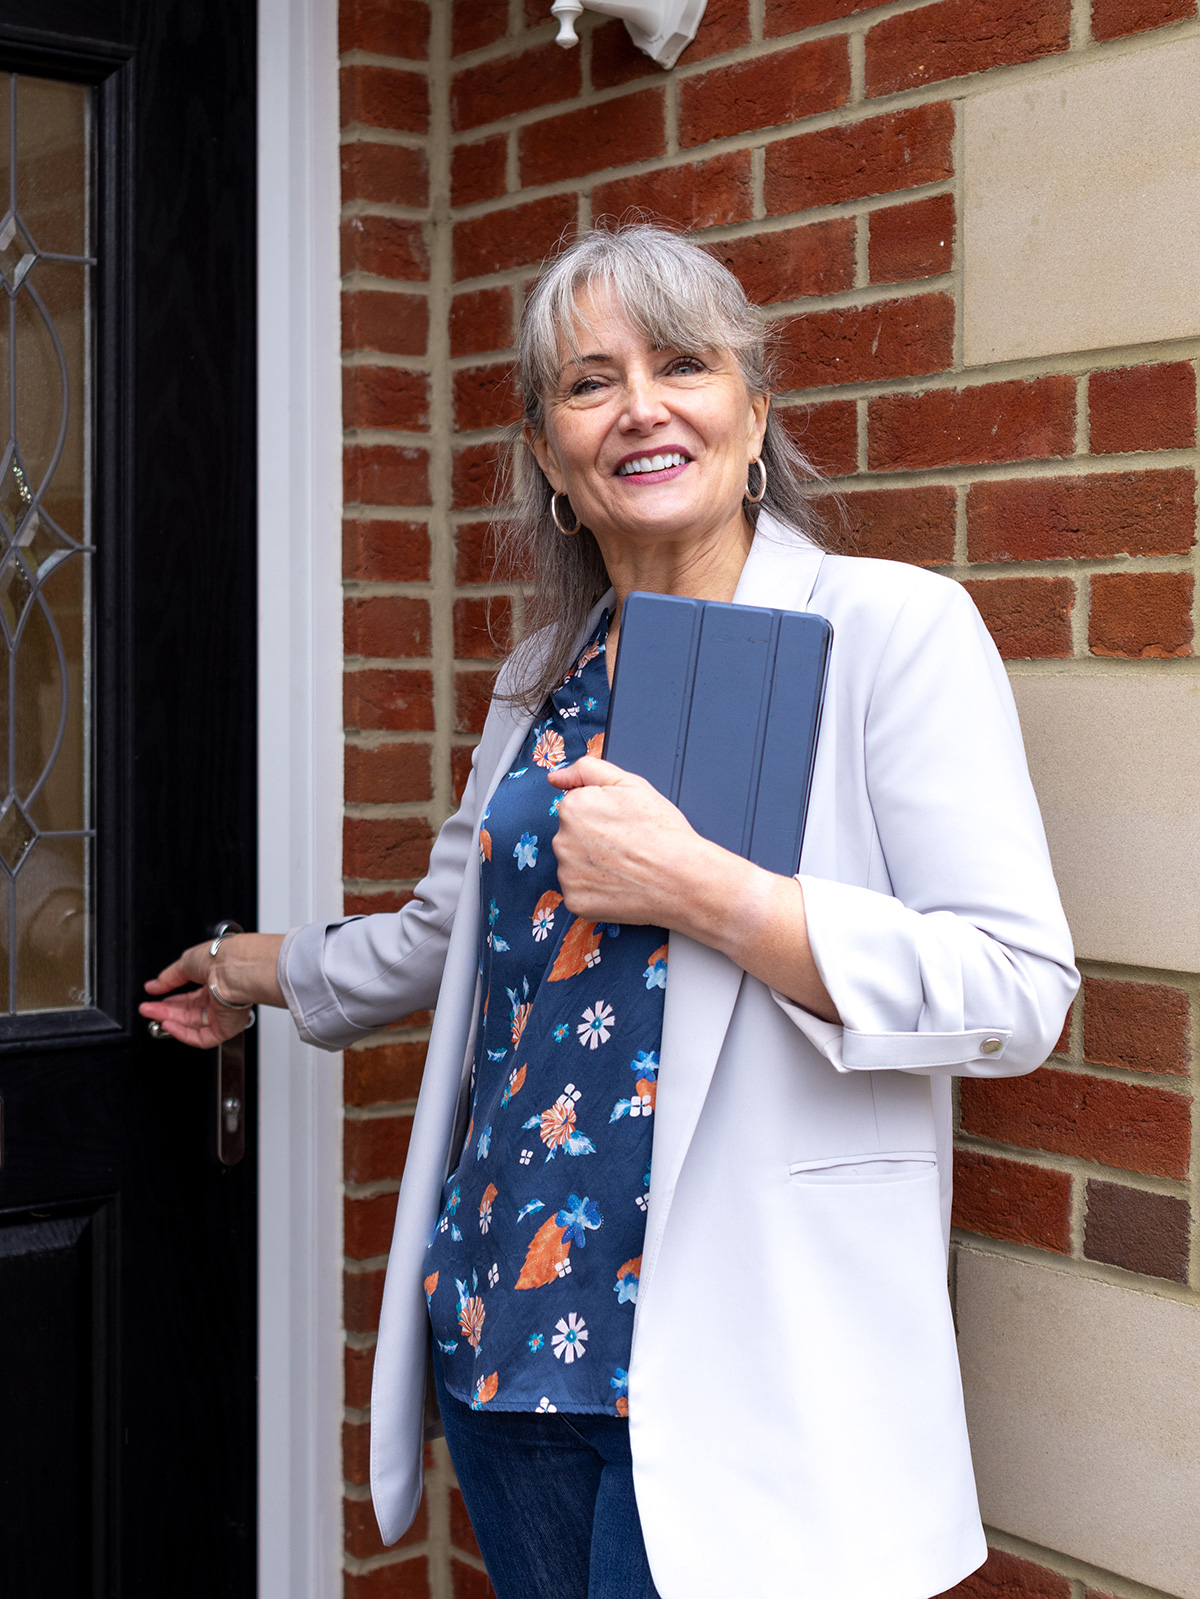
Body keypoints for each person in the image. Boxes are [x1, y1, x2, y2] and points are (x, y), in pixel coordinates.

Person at [142, 225, 1079, 1599]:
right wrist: (247, 966)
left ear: (752, 414)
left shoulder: (889, 631)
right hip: (513, 1339)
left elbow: (1015, 989)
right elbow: (445, 940)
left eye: (683, 364)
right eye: (591, 382)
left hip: (744, 1376)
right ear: (548, 453)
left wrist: (709, 892)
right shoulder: (543, 674)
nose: (641, 404)